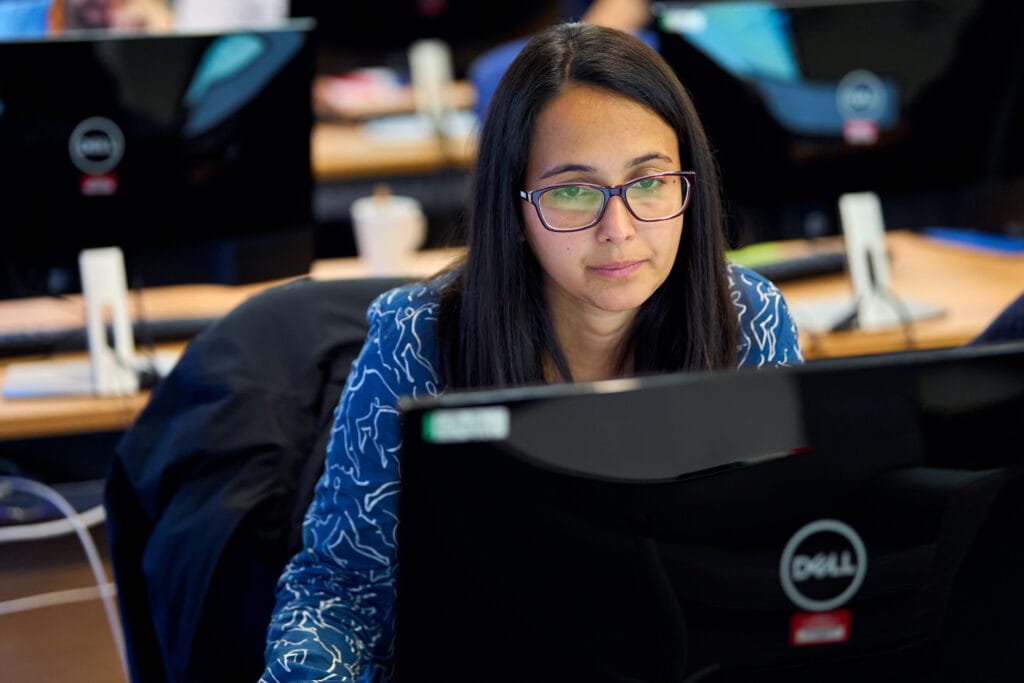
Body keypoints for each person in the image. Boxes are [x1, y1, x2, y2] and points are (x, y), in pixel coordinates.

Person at [262, 21, 803, 681]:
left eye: (650, 181)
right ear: (515, 207)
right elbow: (339, 588)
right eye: (574, 190)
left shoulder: (749, 321)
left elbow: (781, 560)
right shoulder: (420, 340)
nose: (620, 229)